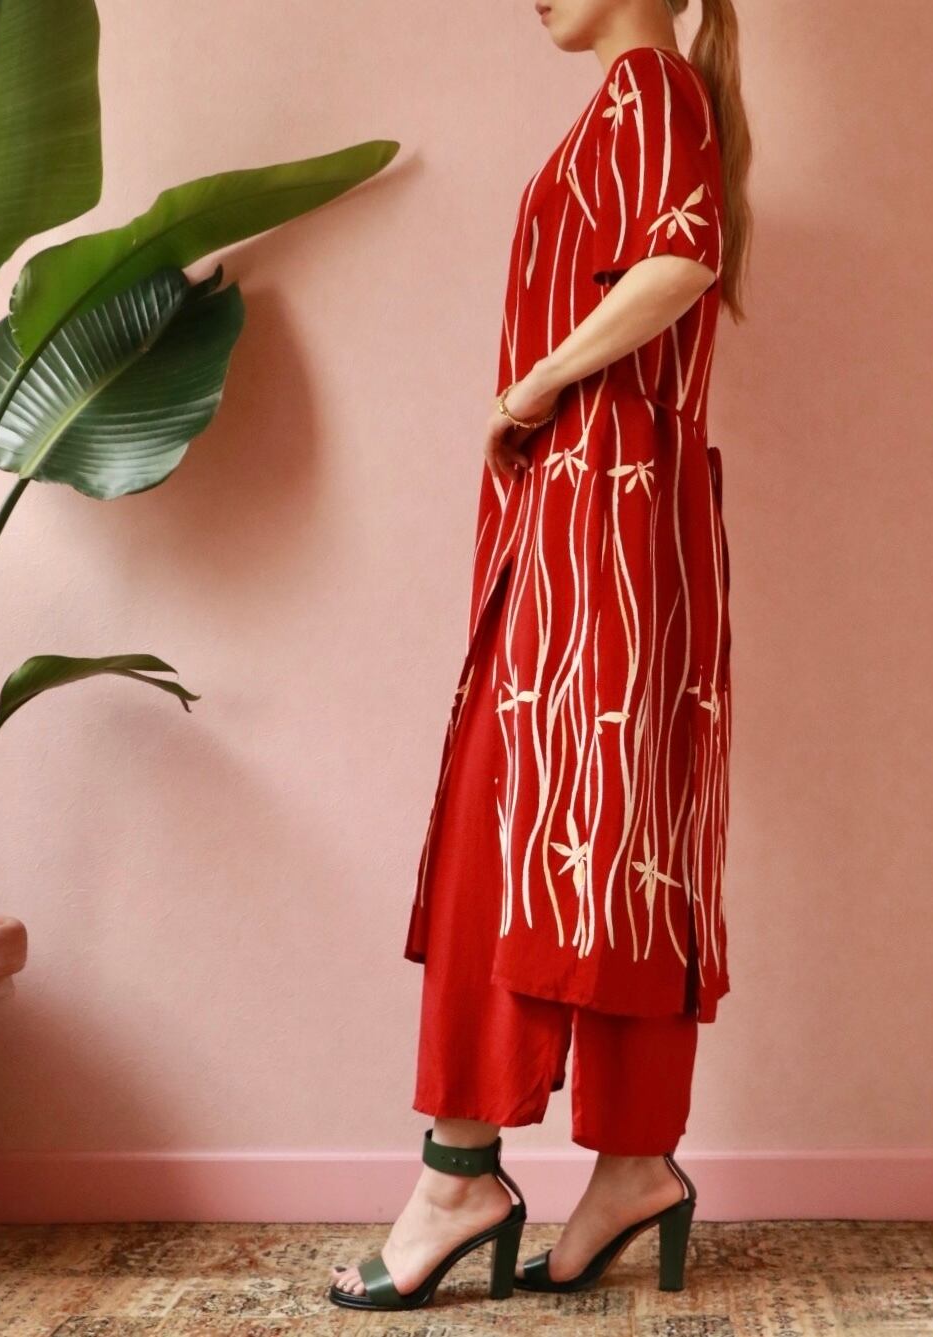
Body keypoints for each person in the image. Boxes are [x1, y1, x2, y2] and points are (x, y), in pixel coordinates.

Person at [329, 0, 752, 1312]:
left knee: (530, 829)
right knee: (608, 837)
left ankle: (463, 1176)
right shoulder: (640, 100)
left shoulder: (652, 93)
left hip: (604, 520)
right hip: (595, 518)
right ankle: (629, 1163)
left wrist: (531, 387)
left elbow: (681, 257)